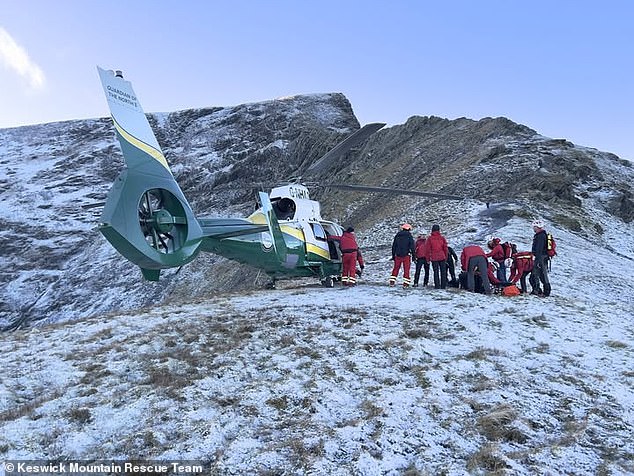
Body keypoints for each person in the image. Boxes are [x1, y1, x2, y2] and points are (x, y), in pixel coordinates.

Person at [390, 223, 416, 288]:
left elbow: (394, 246)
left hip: (397, 255)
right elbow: (412, 247)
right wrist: (414, 257)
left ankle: (392, 282)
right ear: (409, 229)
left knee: (396, 268)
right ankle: (406, 284)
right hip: (406, 255)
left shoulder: (397, 235)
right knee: (406, 269)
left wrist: (393, 256)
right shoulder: (409, 236)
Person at [530, 220, 551, 296]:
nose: (533, 228)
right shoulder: (542, 235)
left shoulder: (540, 236)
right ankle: (541, 291)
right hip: (542, 257)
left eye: (534, 227)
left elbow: (539, 249)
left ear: (537, 227)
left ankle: (542, 291)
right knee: (541, 274)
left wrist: (537, 261)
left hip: (541, 258)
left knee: (538, 274)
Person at [424, 224, 448, 289]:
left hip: (434, 257)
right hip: (442, 256)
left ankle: (437, 285)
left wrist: (428, 259)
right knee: (443, 272)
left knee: (436, 272)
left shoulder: (430, 238)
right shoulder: (442, 238)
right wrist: (446, 257)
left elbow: (427, 249)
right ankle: (443, 285)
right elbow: (445, 248)